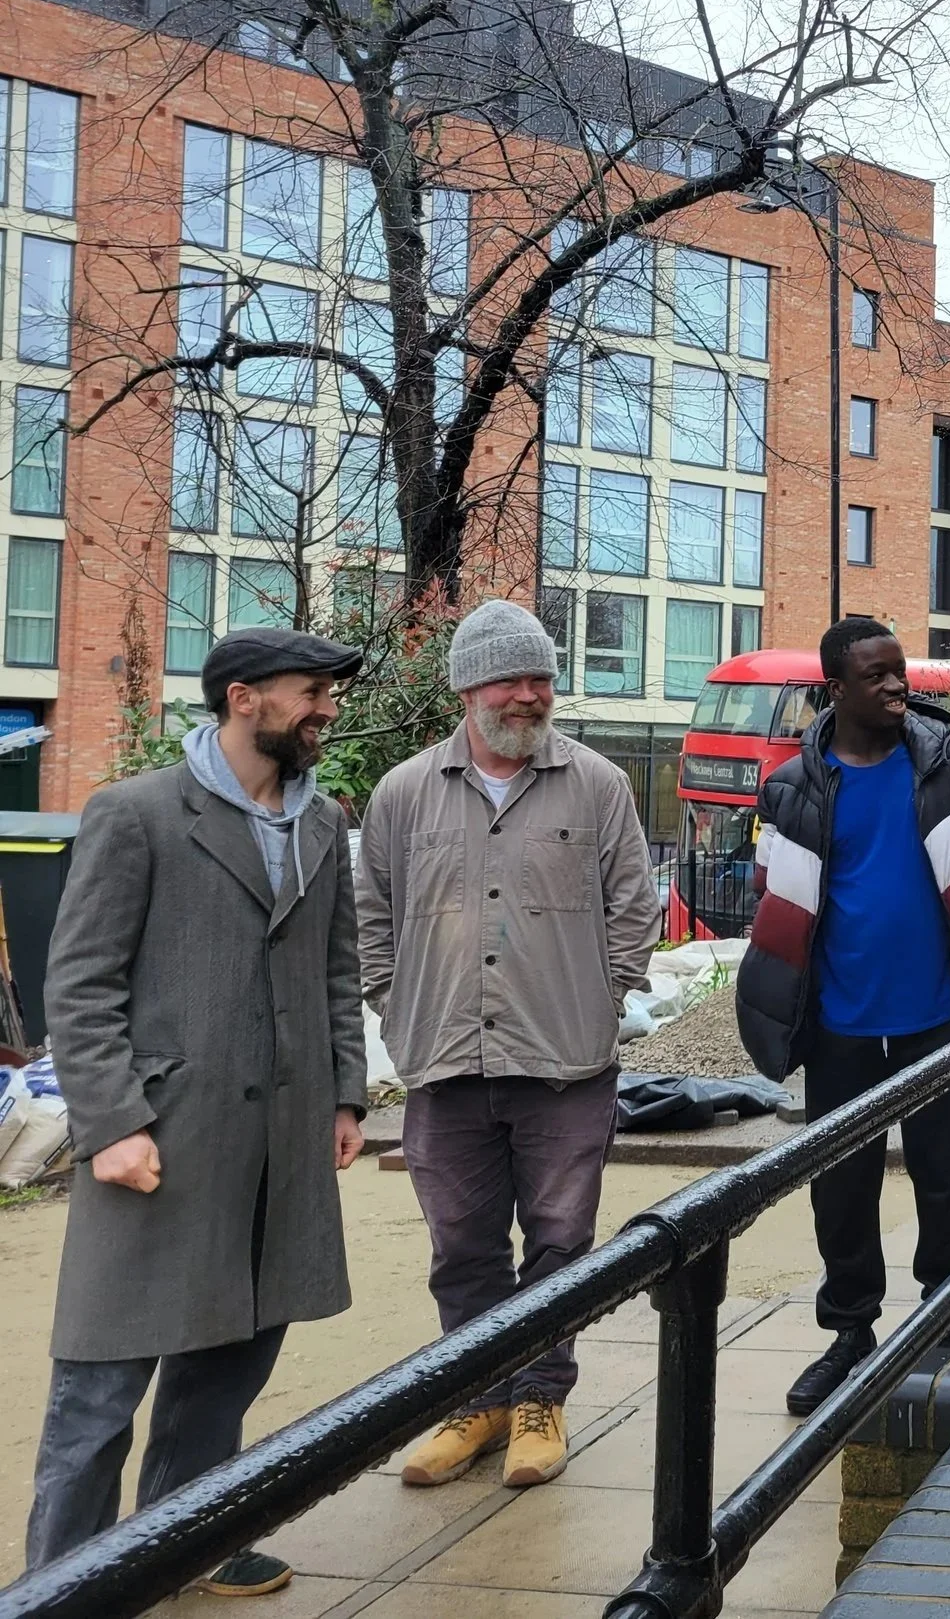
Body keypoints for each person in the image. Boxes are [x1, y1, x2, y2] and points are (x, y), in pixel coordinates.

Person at [31, 628, 369, 1595]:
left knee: (230, 1360)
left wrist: (346, 1091)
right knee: (100, 1384)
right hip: (160, 1142)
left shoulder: (319, 822)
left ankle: (181, 1542)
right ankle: (66, 1584)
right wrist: (111, 1122)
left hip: (280, 1145)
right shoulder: (133, 813)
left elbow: (336, 971)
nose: (327, 708)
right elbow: (81, 984)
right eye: (311, 691)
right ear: (243, 698)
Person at [360, 600, 661, 1491]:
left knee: (561, 1244)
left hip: (566, 1064)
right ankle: (476, 1398)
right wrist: (395, 997)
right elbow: (371, 910)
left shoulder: (598, 785)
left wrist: (599, 1001)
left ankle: (539, 1398)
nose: (530, 696)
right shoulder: (404, 792)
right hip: (444, 1062)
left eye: (541, 679)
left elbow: (635, 908)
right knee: (462, 1244)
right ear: (467, 687)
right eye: (511, 679)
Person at [733, 617, 950, 1415]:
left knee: (949, 1180)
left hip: (940, 1019)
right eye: (877, 676)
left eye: (901, 671)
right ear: (837, 689)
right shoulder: (791, 788)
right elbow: (776, 902)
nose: (898, 686)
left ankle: (944, 1322)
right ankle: (851, 1331)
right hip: (839, 1025)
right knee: (843, 1189)